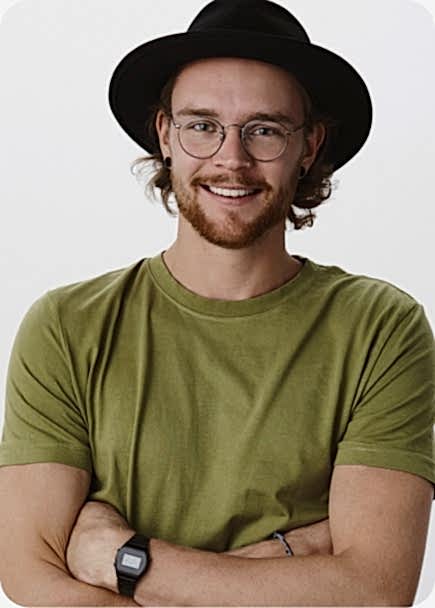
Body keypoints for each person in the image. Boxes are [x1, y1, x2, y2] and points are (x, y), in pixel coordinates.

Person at [0, 0, 434, 606]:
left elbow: (375, 591)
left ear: (309, 146)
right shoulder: (67, 327)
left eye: (265, 130)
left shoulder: (381, 328)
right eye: (202, 126)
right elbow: (31, 572)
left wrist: (125, 558)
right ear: (165, 136)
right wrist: (294, 558)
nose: (231, 159)